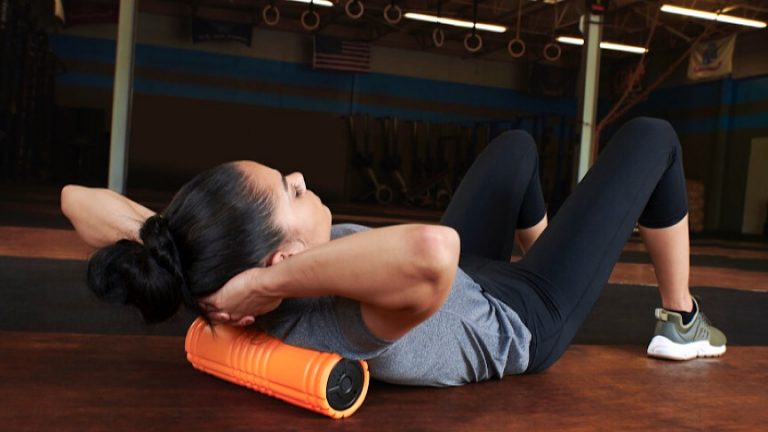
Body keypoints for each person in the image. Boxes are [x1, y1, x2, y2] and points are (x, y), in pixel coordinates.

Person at [62, 117, 726, 387]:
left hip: (469, 284)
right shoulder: (331, 318)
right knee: (652, 137)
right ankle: (681, 320)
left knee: (516, 149)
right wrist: (265, 287)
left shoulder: (205, 270)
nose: (302, 178)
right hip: (520, 320)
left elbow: (75, 199)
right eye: (292, 192)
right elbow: (434, 250)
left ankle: (555, 262)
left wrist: (165, 232)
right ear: (278, 263)